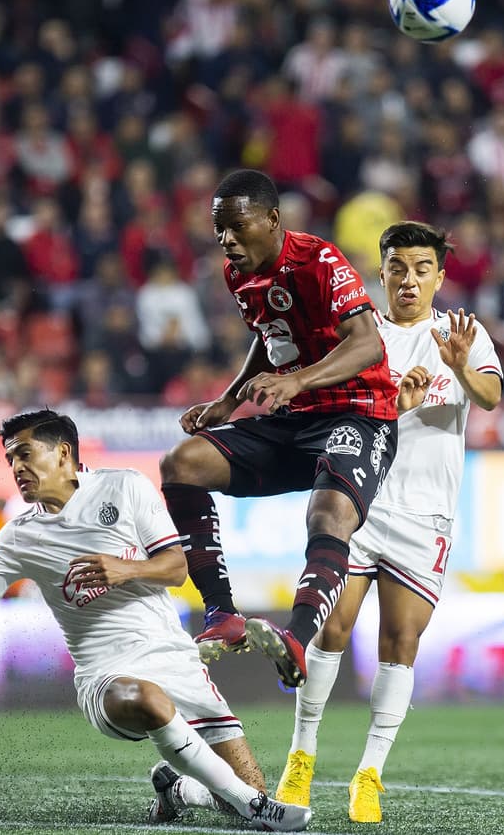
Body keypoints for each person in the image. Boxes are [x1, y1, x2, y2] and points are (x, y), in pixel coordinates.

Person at [0, 409, 311, 831]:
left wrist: (125, 569)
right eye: (10, 460)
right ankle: (257, 806)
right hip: (106, 676)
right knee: (150, 702)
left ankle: (181, 790)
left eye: (24, 454)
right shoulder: (18, 536)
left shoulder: (124, 486)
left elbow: (176, 567)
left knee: (237, 795)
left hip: (174, 658)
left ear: (62, 453)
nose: (17, 468)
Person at [273, 221, 504, 823]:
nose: (409, 279)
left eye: (422, 268)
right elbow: (335, 412)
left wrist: (457, 366)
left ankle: (369, 772)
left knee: (400, 645)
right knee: (333, 630)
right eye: (398, 267)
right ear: (381, 272)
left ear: (440, 275)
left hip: (425, 515)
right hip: (360, 502)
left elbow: (489, 398)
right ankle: (302, 756)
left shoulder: (463, 333)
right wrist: (391, 406)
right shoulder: (358, 336)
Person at [158, 169, 398, 689]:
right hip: (294, 419)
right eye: (219, 228)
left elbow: (367, 344)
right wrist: (228, 399)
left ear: (272, 219)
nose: (226, 240)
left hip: (358, 412)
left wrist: (300, 381)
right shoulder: (236, 273)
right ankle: (221, 615)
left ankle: (297, 636)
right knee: (182, 463)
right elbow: (271, 334)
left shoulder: (319, 260)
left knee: (327, 510)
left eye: (237, 226)